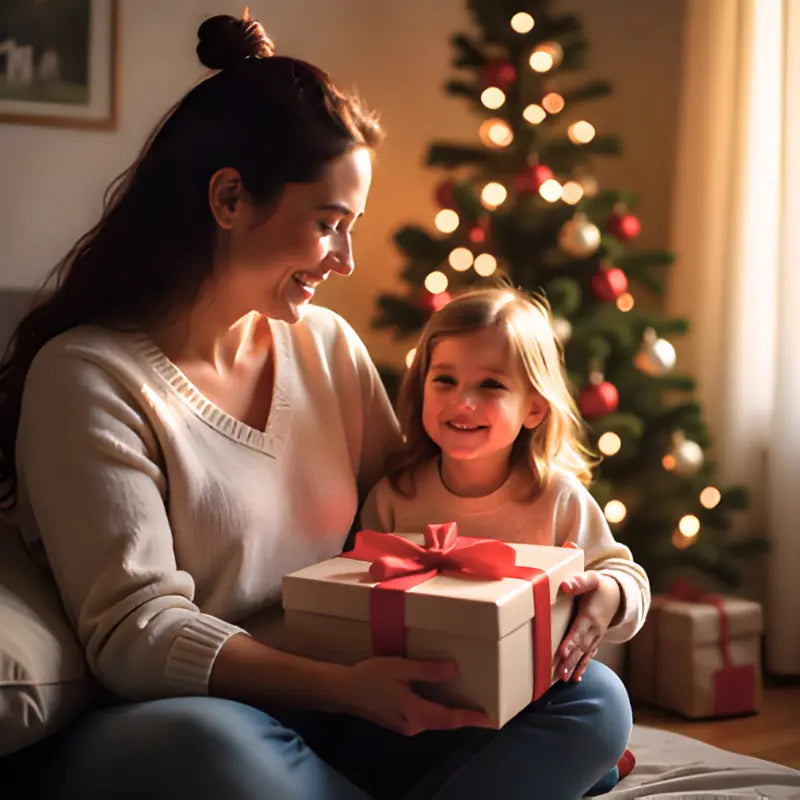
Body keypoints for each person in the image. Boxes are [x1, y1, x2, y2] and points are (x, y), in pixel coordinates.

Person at [0, 11, 631, 800]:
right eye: (330, 225)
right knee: (201, 748)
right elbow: (135, 635)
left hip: (356, 707)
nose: (346, 260)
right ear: (229, 198)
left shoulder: (325, 346)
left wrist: (593, 586)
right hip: (212, 713)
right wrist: (343, 687)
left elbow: (419, 515)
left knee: (595, 703)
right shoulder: (88, 377)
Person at [360, 284, 651, 794]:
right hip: (419, 699)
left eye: (491, 385)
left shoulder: (556, 496)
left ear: (534, 408)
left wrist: (611, 593)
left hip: (528, 701)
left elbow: (624, 573)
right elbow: (357, 590)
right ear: (421, 386)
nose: (462, 402)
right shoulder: (394, 495)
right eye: (444, 380)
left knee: (604, 702)